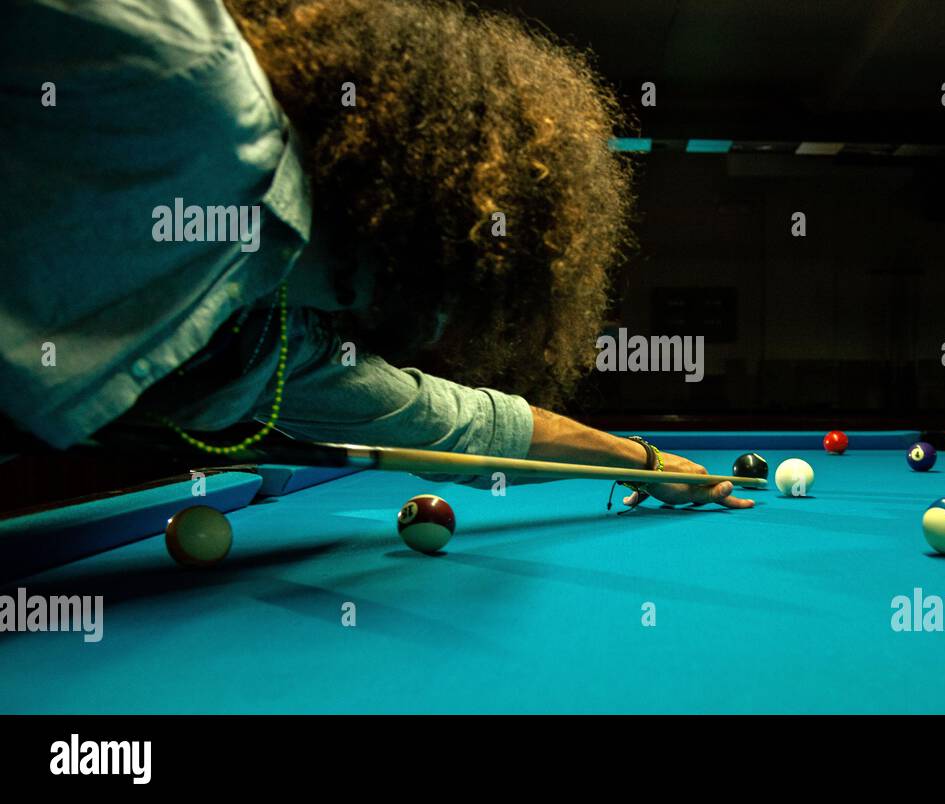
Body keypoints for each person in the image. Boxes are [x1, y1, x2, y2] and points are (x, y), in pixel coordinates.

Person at [0, 0, 753, 509]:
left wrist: (644, 464)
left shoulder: (279, 341)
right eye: (466, 278)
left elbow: (464, 425)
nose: (441, 320)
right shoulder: (188, 69)